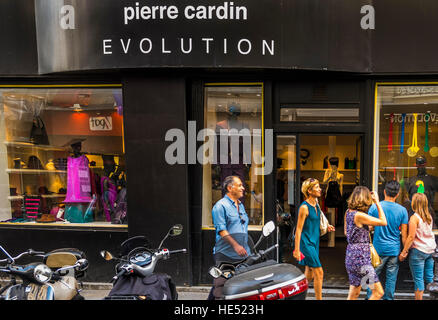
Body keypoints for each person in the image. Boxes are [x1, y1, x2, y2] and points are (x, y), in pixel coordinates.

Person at [208, 175, 251, 300]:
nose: (243, 188)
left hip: (242, 254)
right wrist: (236, 245)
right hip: (225, 254)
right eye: (239, 185)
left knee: (235, 286)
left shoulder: (241, 205)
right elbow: (222, 231)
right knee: (221, 286)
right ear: (230, 188)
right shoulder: (220, 206)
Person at [365, 180, 408, 300]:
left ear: (384, 192)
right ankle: (389, 298)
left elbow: (369, 227)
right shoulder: (402, 210)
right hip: (394, 249)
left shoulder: (374, 207)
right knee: (391, 278)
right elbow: (404, 235)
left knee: (372, 276)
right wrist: (405, 251)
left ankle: (370, 297)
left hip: (378, 248)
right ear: (398, 194)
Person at [293, 178, 335, 300]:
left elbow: (317, 220)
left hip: (314, 242)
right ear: (309, 191)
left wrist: (327, 226)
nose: (320, 189)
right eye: (316, 187)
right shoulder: (304, 207)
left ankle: (296, 294)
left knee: (309, 274)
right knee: (319, 272)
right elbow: (298, 229)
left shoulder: (316, 204)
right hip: (306, 244)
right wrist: (296, 250)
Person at [344, 186, 387, 300]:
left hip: (351, 256)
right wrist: (377, 202)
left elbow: (346, 232)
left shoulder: (348, 212)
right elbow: (383, 222)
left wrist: (364, 230)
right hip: (362, 259)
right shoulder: (359, 215)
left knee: (354, 292)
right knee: (378, 292)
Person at [399, 193, 437, 300]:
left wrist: (404, 252)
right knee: (430, 277)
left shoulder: (414, 218)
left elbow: (411, 237)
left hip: (418, 251)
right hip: (430, 250)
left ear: (414, 203)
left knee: (418, 280)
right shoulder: (429, 216)